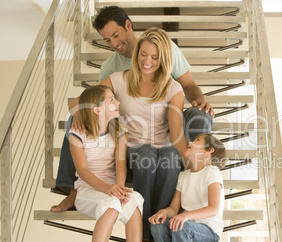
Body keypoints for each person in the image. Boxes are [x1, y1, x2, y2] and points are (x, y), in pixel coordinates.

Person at [51, 5, 214, 210]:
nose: (114, 44)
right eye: (107, 40)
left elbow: (188, 85)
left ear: (128, 25)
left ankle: (197, 171)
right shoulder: (111, 69)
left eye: (116, 35)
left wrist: (199, 99)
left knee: (201, 115)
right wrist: (79, 112)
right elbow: (97, 103)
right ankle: (73, 190)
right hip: (129, 127)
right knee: (76, 119)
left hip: (167, 114)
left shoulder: (166, 50)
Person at [69, 85, 143, 242]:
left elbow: (120, 165)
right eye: (111, 100)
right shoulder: (77, 134)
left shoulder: (119, 130)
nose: (117, 102)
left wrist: (118, 188)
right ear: (97, 110)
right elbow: (83, 170)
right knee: (111, 206)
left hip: (111, 188)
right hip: (88, 190)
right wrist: (108, 190)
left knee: (133, 201)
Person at [149, 133, 227, 242]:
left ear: (209, 151)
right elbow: (173, 209)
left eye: (197, 140)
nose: (190, 141)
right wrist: (163, 213)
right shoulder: (183, 176)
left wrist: (186, 215)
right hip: (184, 228)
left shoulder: (212, 172)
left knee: (182, 226)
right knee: (158, 226)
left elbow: (213, 208)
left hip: (208, 232)